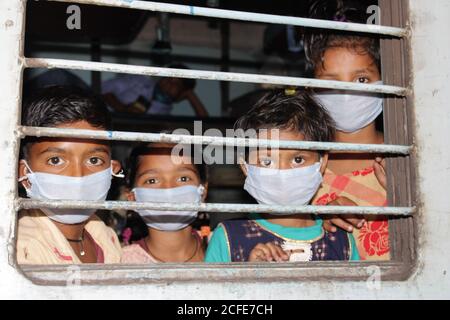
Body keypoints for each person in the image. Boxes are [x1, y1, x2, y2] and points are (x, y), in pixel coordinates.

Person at [205, 91, 359, 263]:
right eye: (267, 161)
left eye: (298, 159)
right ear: (246, 167)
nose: (283, 173)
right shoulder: (228, 238)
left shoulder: (341, 241)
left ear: (322, 163)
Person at [304, 0, 390, 260]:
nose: (346, 93)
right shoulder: (302, 169)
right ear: (311, 90)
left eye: (361, 79)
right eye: (330, 83)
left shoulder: (406, 158)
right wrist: (321, 223)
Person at [17, 86, 123, 264]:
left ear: (112, 170)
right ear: (25, 175)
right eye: (56, 160)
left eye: (94, 160)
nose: (78, 176)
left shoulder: (105, 236)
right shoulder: (20, 249)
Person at [120, 142, 208, 263]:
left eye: (183, 178)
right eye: (152, 180)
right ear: (132, 197)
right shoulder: (123, 261)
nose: (168, 189)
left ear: (203, 191)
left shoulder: (225, 247)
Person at [102, 63, 208, 117]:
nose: (169, 83)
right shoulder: (139, 81)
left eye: (177, 83)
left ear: (182, 93)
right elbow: (102, 89)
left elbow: (206, 124)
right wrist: (123, 109)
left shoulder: (165, 116)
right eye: (168, 77)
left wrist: (190, 95)